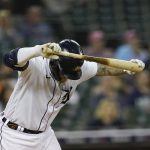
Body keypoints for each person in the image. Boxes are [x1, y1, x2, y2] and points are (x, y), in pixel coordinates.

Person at [0, 39, 145, 150]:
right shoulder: (36, 65)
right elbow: (10, 58)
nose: (68, 77)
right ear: (55, 64)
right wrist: (37, 50)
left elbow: (103, 68)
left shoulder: (76, 66)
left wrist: (126, 67)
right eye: (66, 73)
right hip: (14, 135)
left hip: (44, 136)